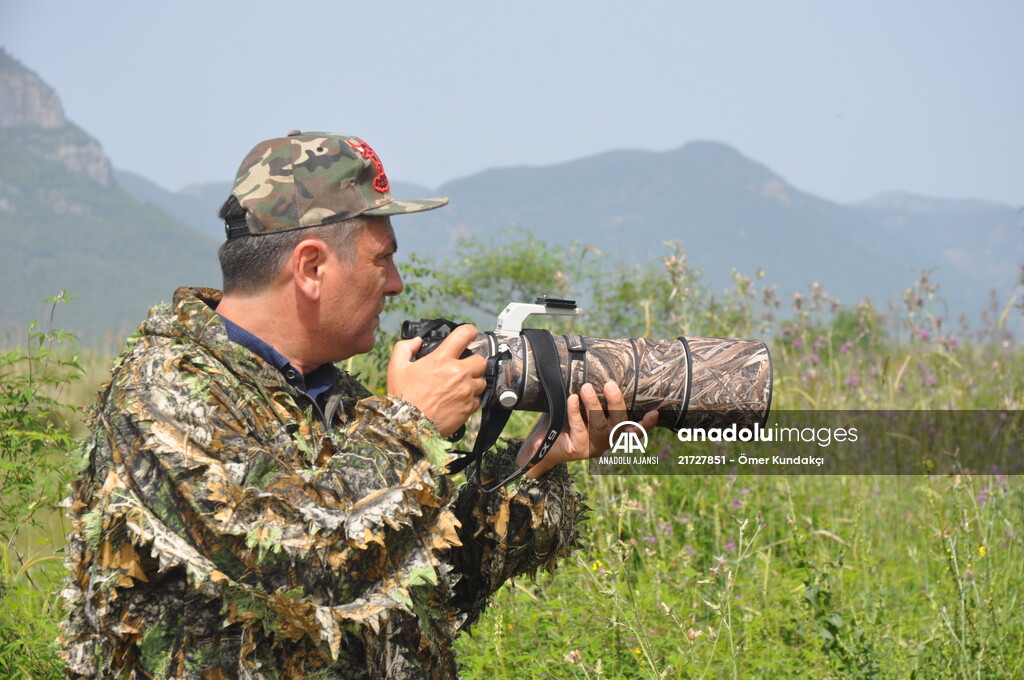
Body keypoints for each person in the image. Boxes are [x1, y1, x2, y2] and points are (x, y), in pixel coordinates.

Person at [60, 130, 657, 679]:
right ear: (312, 267)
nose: (396, 282)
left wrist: (535, 461)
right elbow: (300, 566)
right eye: (382, 259)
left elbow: (428, 578)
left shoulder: (335, 398)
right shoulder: (163, 394)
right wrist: (410, 425)